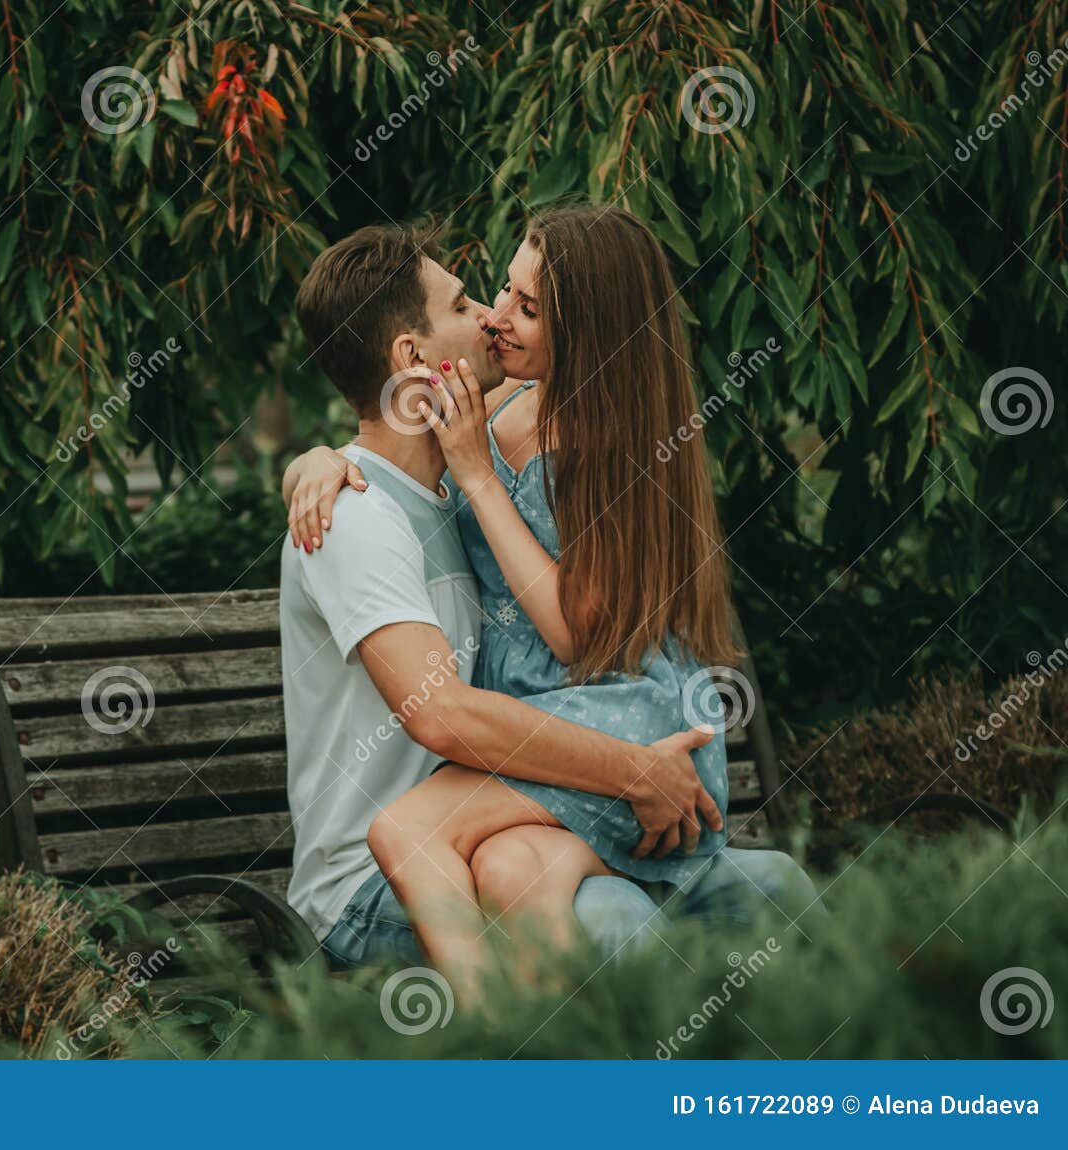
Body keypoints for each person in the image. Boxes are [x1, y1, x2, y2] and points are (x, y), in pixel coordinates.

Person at [283, 211, 817, 1000]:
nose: (492, 318)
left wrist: (324, 460)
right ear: (413, 358)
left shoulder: (458, 484)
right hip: (378, 883)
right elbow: (445, 717)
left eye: (514, 305)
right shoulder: (360, 513)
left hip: (523, 804)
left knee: (772, 889)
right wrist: (312, 464)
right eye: (470, 304)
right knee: (604, 920)